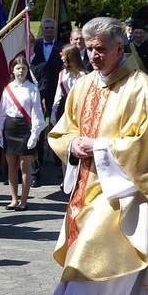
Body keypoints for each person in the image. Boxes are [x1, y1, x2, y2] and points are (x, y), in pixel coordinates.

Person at [43, 16, 148, 295]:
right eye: (89, 49)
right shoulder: (84, 85)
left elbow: (147, 146)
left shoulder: (141, 89)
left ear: (121, 47)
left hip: (123, 195)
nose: (94, 55)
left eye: (101, 49)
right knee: (90, 257)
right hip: (84, 188)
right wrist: (73, 144)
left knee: (91, 258)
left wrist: (100, 146)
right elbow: (62, 130)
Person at [0, 56, 45, 211]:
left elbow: (37, 112)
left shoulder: (32, 88)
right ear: (13, 70)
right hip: (10, 127)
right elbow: (1, 113)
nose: (21, 71)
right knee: (11, 166)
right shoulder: (7, 89)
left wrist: (34, 134)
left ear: (27, 71)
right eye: (18, 68)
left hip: (25, 128)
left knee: (25, 166)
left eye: (23, 68)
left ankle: (24, 200)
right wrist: (0, 132)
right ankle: (13, 199)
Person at [30, 18, 64, 187]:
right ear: (42, 30)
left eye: (52, 28)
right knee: (39, 126)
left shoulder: (61, 47)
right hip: (39, 92)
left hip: (57, 91)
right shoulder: (34, 46)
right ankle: (39, 160)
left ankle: (58, 158)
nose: (49, 30)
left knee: (57, 124)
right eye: (46, 28)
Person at [51, 44, 88, 189]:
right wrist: (54, 112)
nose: (63, 60)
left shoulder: (84, 75)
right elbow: (57, 94)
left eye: (65, 57)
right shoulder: (62, 74)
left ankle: (78, 176)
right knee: (64, 143)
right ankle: (66, 176)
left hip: (78, 108)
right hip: (64, 108)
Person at [124, 19, 148, 86]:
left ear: (145, 34)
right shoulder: (126, 48)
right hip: (132, 81)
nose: (138, 35)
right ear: (132, 33)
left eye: (141, 33)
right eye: (136, 33)